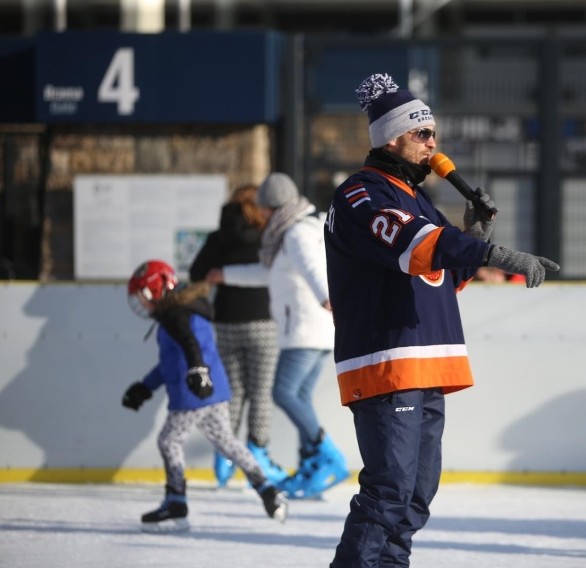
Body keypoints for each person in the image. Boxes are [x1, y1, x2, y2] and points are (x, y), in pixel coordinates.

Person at [324, 72, 560, 567]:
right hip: (388, 360)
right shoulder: (362, 194)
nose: (434, 143)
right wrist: (498, 253)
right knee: (388, 492)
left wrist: (471, 235)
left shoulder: (415, 197)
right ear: (391, 137)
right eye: (422, 134)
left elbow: (437, 280)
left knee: (413, 498)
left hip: (426, 361)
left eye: (434, 132)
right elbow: (418, 246)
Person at [205, 172, 348, 500]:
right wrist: (224, 275)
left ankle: (329, 456)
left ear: (274, 206)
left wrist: (327, 298)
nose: (262, 216)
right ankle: (311, 467)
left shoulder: (296, 233)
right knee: (299, 397)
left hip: (305, 328)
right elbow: (268, 274)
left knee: (283, 392)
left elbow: (312, 268)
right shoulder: (298, 229)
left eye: (264, 209)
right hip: (316, 329)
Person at [121, 260, 287, 532]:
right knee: (227, 443)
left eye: (144, 297)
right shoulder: (178, 312)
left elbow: (191, 345)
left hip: (194, 393)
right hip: (213, 390)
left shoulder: (177, 315)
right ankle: (267, 489)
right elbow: (171, 361)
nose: (143, 304)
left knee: (169, 441)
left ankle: (176, 502)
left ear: (156, 290)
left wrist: (198, 370)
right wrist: (146, 387)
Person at [188, 184, 284, 488]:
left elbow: (195, 272)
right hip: (263, 321)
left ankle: (224, 456)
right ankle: (258, 452)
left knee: (235, 391)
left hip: (227, 320)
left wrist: (220, 268)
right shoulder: (268, 234)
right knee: (261, 392)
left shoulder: (220, 237)